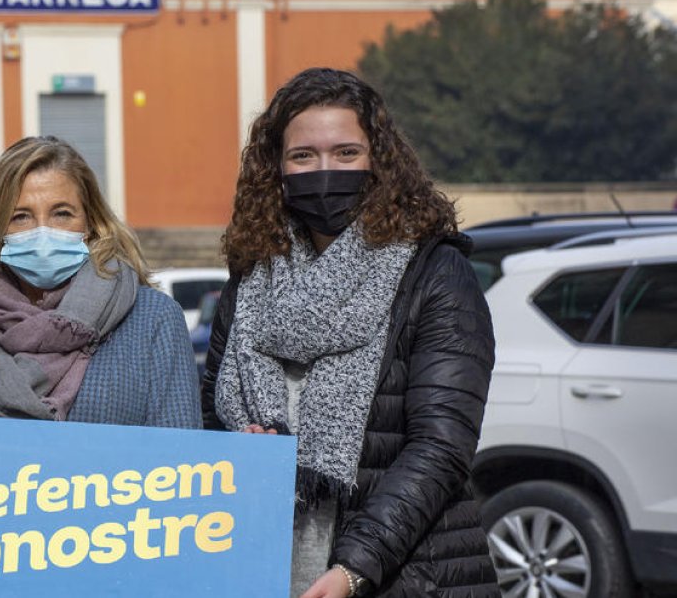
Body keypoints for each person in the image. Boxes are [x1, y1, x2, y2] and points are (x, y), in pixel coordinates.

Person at [203, 68, 498, 597]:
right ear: (276, 169)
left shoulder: (435, 273)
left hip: (399, 575)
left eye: (345, 153)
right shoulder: (250, 279)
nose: (325, 171)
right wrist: (238, 449)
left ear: (378, 161)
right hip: (263, 566)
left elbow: (442, 446)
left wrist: (354, 568)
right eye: (303, 156)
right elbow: (210, 416)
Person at [0, 136, 200, 428]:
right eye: (21, 217)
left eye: (62, 214)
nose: (43, 232)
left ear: (91, 223)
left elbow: (179, 449)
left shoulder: (153, 321)